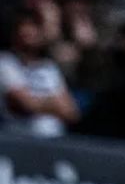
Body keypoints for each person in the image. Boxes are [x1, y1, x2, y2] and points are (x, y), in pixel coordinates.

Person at [0, 9, 78, 137]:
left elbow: (71, 112)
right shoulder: (5, 63)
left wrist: (39, 103)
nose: (29, 32)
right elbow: (26, 104)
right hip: (18, 139)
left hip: (54, 140)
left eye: (34, 27)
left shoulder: (49, 67)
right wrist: (54, 103)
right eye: (24, 27)